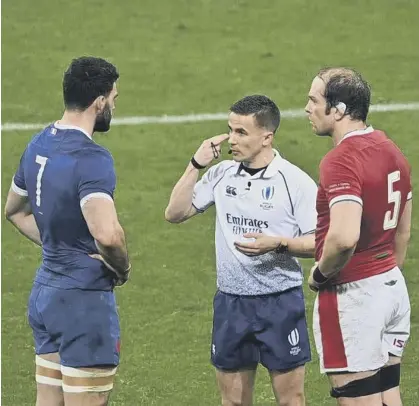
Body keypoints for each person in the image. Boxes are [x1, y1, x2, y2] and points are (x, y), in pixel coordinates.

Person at [165, 94, 318, 406]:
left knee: (291, 399)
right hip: (231, 303)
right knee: (233, 401)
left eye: (241, 132)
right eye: (230, 130)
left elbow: (321, 242)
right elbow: (175, 213)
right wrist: (196, 164)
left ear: (267, 137)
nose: (231, 140)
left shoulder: (294, 182)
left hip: (280, 303)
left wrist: (279, 243)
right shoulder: (221, 174)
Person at [4, 56, 131, 406]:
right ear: (99, 101)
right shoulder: (91, 158)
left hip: (46, 294)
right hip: (83, 303)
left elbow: (13, 211)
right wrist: (122, 267)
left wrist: (60, 246)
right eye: (115, 99)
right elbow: (107, 235)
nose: (114, 107)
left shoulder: (38, 143)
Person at [305, 67, 412, 406]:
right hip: (392, 287)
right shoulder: (389, 147)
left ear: (337, 110)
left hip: (354, 296)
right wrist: (384, 269)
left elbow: (344, 237)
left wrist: (320, 273)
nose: (307, 108)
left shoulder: (341, 160)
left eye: (313, 100)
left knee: (357, 400)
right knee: (387, 395)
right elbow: (403, 230)